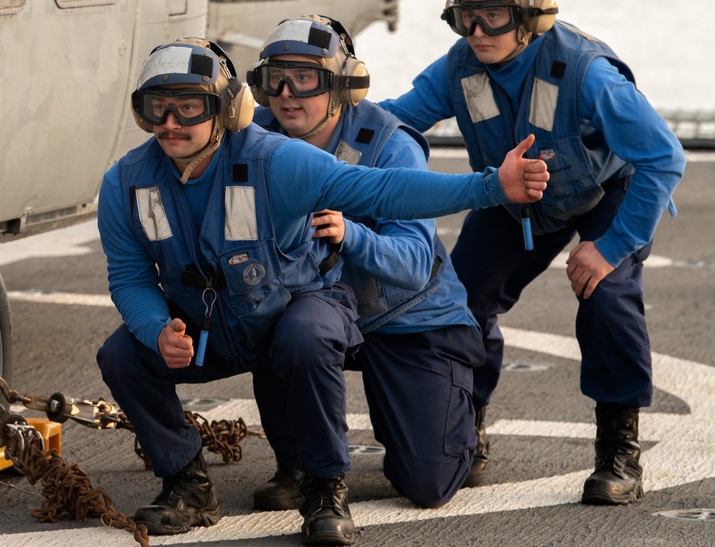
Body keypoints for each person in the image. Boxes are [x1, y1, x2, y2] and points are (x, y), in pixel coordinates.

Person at [95, 36, 548, 546]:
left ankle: (325, 487)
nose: (171, 122)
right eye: (158, 107)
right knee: (121, 354)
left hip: (303, 311)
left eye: (188, 106)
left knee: (309, 339)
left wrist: (490, 186)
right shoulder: (126, 184)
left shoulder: (276, 160)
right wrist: (158, 331)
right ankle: (187, 483)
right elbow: (130, 277)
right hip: (216, 325)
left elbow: (384, 190)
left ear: (225, 109)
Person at [381, 0, 686, 505]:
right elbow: (390, 121)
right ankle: (462, 429)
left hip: (603, 191)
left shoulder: (587, 71)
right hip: (516, 198)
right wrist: (301, 132)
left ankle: (618, 449)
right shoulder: (458, 68)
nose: (475, 30)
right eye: (464, 15)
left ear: (530, 15)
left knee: (607, 295)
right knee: (459, 299)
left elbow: (663, 157)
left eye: (492, 13)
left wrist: (611, 245)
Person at [245, 14, 484, 511]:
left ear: (342, 85)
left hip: (407, 316)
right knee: (277, 323)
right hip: (320, 307)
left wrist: (352, 235)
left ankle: (464, 421)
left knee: (425, 484)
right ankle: (298, 464)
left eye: (305, 78)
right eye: (275, 79)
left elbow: (417, 263)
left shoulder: (391, 145)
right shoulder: (253, 138)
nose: (287, 93)